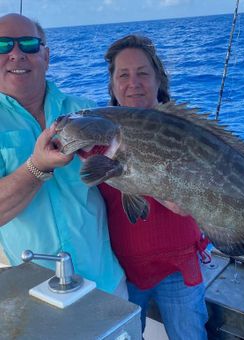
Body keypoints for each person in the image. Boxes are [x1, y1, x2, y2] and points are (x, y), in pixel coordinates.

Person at [0, 13, 126, 297]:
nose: (16, 54)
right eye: (3, 45)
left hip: (105, 281)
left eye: (29, 44)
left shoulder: (88, 110)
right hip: (37, 293)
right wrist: (36, 168)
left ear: (46, 56)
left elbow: (126, 176)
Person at [99, 34, 210, 339]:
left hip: (179, 267)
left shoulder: (187, 129)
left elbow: (210, 189)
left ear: (159, 79)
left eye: (143, 73)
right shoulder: (99, 132)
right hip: (122, 272)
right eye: (123, 74)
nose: (133, 82)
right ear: (112, 85)